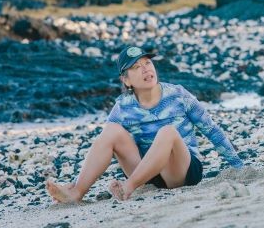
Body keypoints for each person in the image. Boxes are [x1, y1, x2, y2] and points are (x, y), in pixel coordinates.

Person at [46, 45, 242, 203]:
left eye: (147, 63)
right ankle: (76, 192)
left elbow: (211, 130)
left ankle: (128, 188)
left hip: (181, 171)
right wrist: (75, 182)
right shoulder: (123, 106)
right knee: (111, 132)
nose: (145, 68)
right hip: (147, 174)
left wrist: (238, 166)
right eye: (136, 67)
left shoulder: (178, 95)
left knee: (167, 132)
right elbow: (102, 146)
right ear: (126, 80)